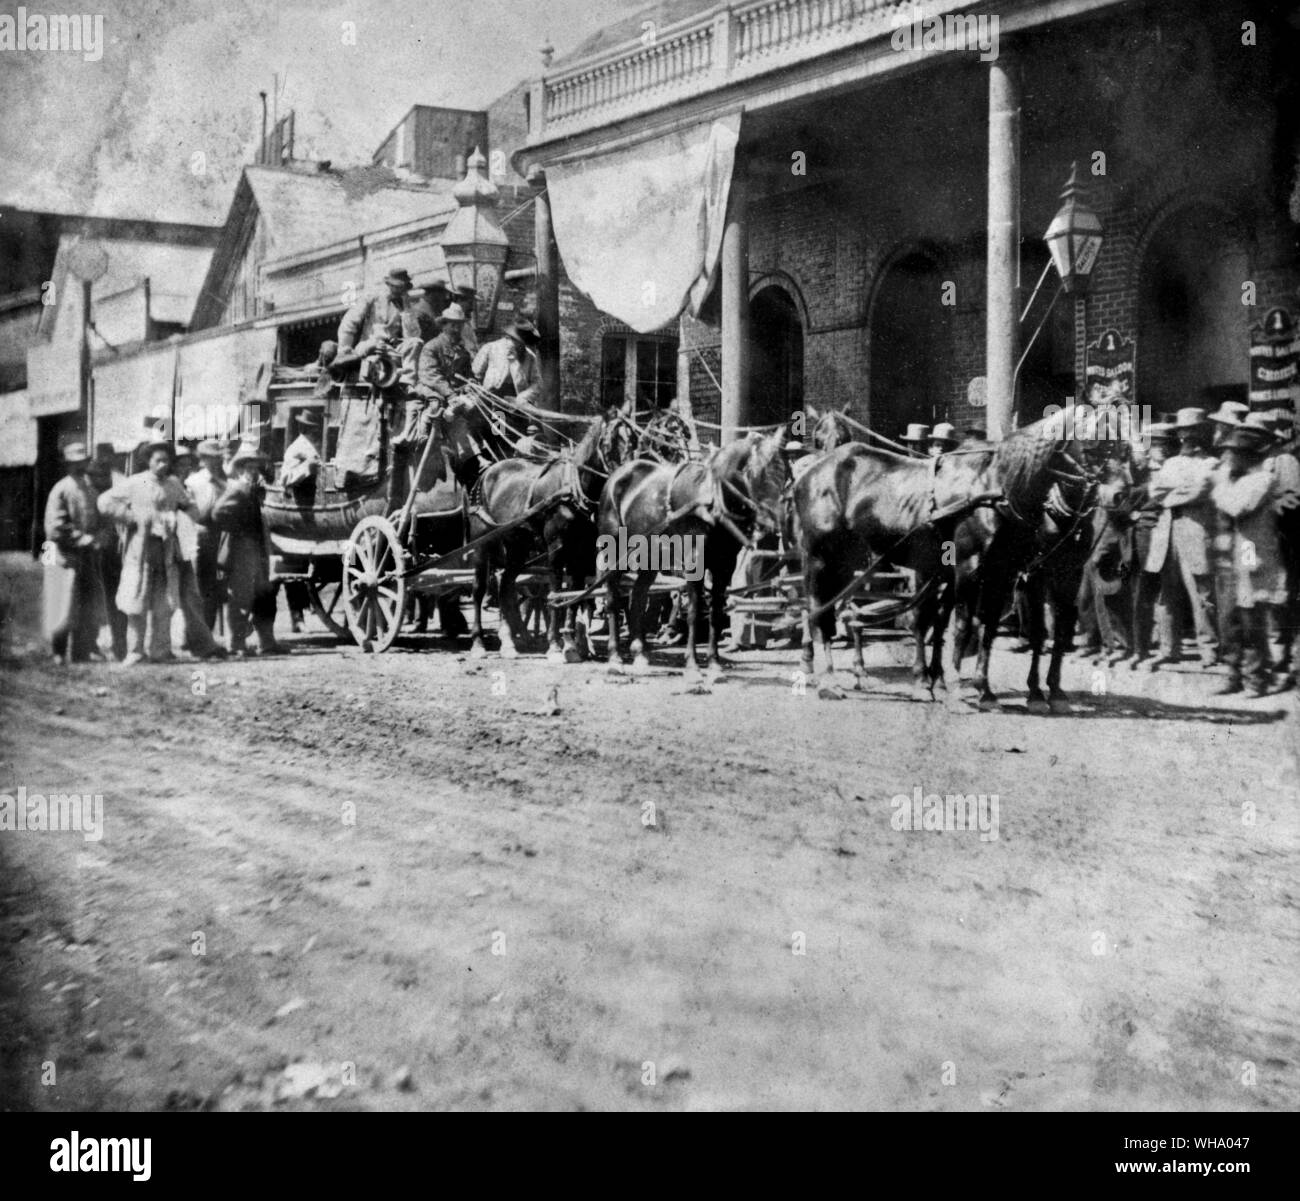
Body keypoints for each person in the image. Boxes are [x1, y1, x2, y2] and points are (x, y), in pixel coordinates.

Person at [1210, 416, 1292, 696]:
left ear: (1247, 455)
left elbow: (1237, 506)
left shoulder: (1262, 479)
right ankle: (1232, 674)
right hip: (1229, 554)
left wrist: (1219, 487)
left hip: (1249, 554)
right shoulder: (1235, 478)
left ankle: (1255, 678)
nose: (1228, 456)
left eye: (1234, 452)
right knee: (1228, 618)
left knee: (1250, 618)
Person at [99, 438, 196, 665]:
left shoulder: (174, 484)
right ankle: (136, 650)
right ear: (149, 462)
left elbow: (191, 506)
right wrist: (132, 517)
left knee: (165, 604)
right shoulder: (135, 483)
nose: (163, 464)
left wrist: (180, 518)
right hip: (140, 551)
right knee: (136, 602)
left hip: (167, 552)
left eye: (166, 460)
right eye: (158, 460)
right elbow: (104, 502)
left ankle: (160, 650)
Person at [1146, 407, 1219, 669]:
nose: (1187, 436)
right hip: (1167, 532)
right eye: (1183, 432)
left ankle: (1209, 650)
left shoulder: (1211, 463)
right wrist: (1176, 492)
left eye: (1192, 431)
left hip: (1196, 531)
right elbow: (1155, 492)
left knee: (1202, 595)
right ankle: (1168, 649)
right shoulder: (1171, 463)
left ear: (1202, 433)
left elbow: (1200, 490)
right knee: (1166, 596)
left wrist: (1172, 492)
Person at [212, 444, 290, 657]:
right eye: (248, 468)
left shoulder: (254, 491)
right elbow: (218, 513)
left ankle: (266, 641)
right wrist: (236, 529)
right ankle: (236, 644)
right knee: (240, 596)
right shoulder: (238, 489)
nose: (253, 472)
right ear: (239, 470)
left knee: (264, 594)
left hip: (258, 548)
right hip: (242, 549)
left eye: (256, 468)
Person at [42, 442, 108, 663]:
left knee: (88, 603)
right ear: (68, 464)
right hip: (65, 556)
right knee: (64, 603)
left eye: (83, 461)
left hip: (88, 557)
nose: (80, 466)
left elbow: (99, 520)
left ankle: (82, 650)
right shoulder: (61, 489)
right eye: (75, 462)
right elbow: (55, 527)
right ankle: (59, 651)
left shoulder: (90, 489)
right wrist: (82, 539)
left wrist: (99, 537)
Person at [336, 267, 424, 386]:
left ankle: (407, 384)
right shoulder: (372, 298)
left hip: (392, 348)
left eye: (401, 287)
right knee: (373, 346)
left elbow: (413, 335)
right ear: (389, 284)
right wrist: (344, 349)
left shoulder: (406, 304)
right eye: (395, 286)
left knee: (416, 342)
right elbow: (350, 322)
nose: (397, 290)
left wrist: (406, 311)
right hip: (369, 344)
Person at [405, 302, 473, 447]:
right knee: (436, 405)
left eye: (460, 325)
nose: (456, 329)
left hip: (453, 393)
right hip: (430, 388)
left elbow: (468, 375)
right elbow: (430, 375)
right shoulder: (432, 347)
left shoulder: (463, 352)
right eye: (452, 324)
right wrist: (450, 394)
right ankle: (424, 436)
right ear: (444, 325)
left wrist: (470, 385)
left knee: (481, 409)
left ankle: (493, 445)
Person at [87, 442, 128, 660]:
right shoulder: (85, 481)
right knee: (92, 597)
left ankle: (120, 646)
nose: (103, 461)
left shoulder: (120, 480)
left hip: (114, 547)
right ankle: (90, 644)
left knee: (115, 597)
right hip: (89, 546)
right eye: (99, 457)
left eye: (107, 456)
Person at [188, 439, 228, 629]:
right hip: (200, 534)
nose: (216, 462)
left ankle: (211, 632)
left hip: (222, 535)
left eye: (218, 458)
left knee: (218, 586)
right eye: (211, 458)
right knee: (201, 585)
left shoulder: (227, 481)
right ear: (203, 459)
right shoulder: (194, 482)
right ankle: (199, 632)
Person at [473, 319, 542, 408]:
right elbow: (476, 372)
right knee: (498, 421)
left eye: (522, 343)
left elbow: (537, 383)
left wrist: (524, 397)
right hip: (493, 399)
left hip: (517, 402)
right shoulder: (490, 348)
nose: (518, 346)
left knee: (521, 420)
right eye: (514, 340)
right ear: (509, 337)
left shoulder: (530, 357)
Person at [281, 409, 323, 494]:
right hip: (302, 491)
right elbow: (286, 476)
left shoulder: (311, 442)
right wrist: (309, 464)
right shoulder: (296, 446)